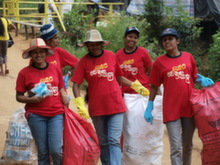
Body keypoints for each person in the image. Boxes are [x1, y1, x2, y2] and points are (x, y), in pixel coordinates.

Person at [71, 29, 150, 165]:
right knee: (103, 142)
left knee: (114, 140)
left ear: (101, 44)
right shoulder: (84, 62)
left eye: (97, 44)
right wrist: (80, 106)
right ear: (87, 46)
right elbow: (76, 85)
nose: (94, 47)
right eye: (91, 44)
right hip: (97, 108)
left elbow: (119, 77)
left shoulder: (110, 56)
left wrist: (137, 87)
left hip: (115, 105)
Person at [144, 28, 214, 165]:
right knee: (176, 147)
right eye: (164, 40)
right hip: (171, 109)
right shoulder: (159, 62)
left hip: (189, 107)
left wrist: (201, 79)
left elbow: (193, 75)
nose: (167, 42)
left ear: (178, 41)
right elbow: (154, 85)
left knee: (188, 146)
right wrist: (149, 105)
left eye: (170, 39)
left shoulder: (188, 57)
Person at [16, 38, 69, 165]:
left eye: (41, 52)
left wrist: (64, 95)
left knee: (56, 150)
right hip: (36, 115)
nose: (38, 55)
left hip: (56, 114)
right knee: (43, 151)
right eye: (35, 52)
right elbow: (18, 96)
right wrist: (31, 99)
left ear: (46, 53)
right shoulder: (24, 73)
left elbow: (61, 86)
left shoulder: (55, 69)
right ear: (30, 55)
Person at [115, 26, 164, 165]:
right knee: (128, 127)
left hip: (143, 96)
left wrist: (157, 95)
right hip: (126, 96)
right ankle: (127, 157)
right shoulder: (118, 55)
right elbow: (117, 76)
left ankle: (146, 157)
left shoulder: (142, 53)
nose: (132, 39)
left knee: (144, 127)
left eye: (135, 37)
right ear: (125, 38)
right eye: (130, 36)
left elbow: (152, 73)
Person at [38, 23, 78, 90]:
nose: (58, 41)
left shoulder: (58, 52)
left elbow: (78, 63)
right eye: (55, 38)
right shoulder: (38, 56)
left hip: (60, 92)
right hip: (43, 92)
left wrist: (68, 74)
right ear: (48, 40)